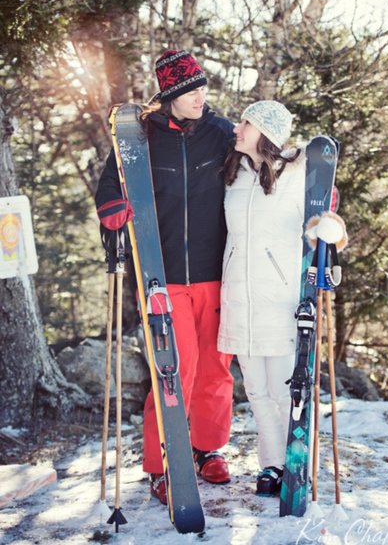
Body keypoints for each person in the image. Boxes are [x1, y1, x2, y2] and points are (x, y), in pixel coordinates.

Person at [95, 49, 234, 505]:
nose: (201, 97)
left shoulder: (221, 133)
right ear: (171, 95)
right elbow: (113, 181)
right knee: (173, 370)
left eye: (203, 88)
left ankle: (206, 448)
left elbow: (263, 165)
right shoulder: (141, 136)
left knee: (216, 368)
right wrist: (113, 209)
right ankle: (161, 463)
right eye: (191, 90)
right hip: (163, 273)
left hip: (216, 273)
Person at [217, 100, 304, 497]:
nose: (237, 128)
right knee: (255, 389)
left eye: (246, 123)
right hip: (239, 295)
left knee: (285, 388)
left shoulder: (298, 173)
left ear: (265, 133)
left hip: (278, 297)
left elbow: (323, 219)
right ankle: (270, 465)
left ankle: (295, 461)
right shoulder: (234, 174)